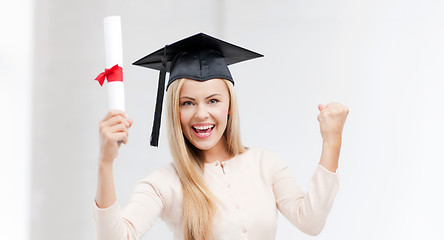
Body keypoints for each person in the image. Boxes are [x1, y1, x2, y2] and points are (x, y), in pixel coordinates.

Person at [93, 33, 349, 240]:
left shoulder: (265, 165)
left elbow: (312, 221)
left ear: (230, 106)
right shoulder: (165, 183)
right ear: (174, 112)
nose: (201, 114)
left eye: (213, 100)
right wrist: (105, 162)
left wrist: (332, 141)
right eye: (187, 103)